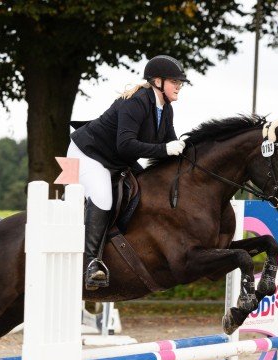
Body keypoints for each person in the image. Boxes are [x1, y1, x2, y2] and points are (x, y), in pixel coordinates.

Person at [68, 55, 189, 290]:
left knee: (145, 189)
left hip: (117, 160)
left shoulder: (165, 109)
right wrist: (165, 149)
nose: (179, 86)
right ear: (157, 81)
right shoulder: (136, 102)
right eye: (175, 81)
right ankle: (91, 263)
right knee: (103, 197)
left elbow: (171, 144)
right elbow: (126, 144)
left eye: (180, 82)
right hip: (89, 154)